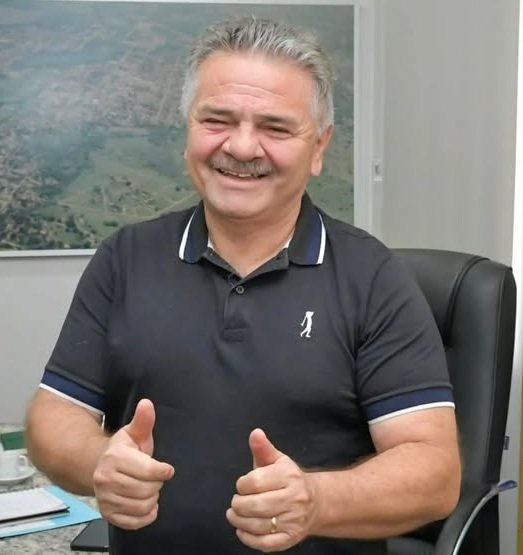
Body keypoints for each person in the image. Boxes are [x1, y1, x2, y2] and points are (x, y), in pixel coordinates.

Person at [26, 16, 461, 555]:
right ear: (188, 128)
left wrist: (317, 500)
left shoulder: (373, 277)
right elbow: (53, 419)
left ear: (319, 147)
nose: (242, 146)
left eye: (275, 128)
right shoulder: (125, 259)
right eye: (217, 119)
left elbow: (435, 473)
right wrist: (100, 463)